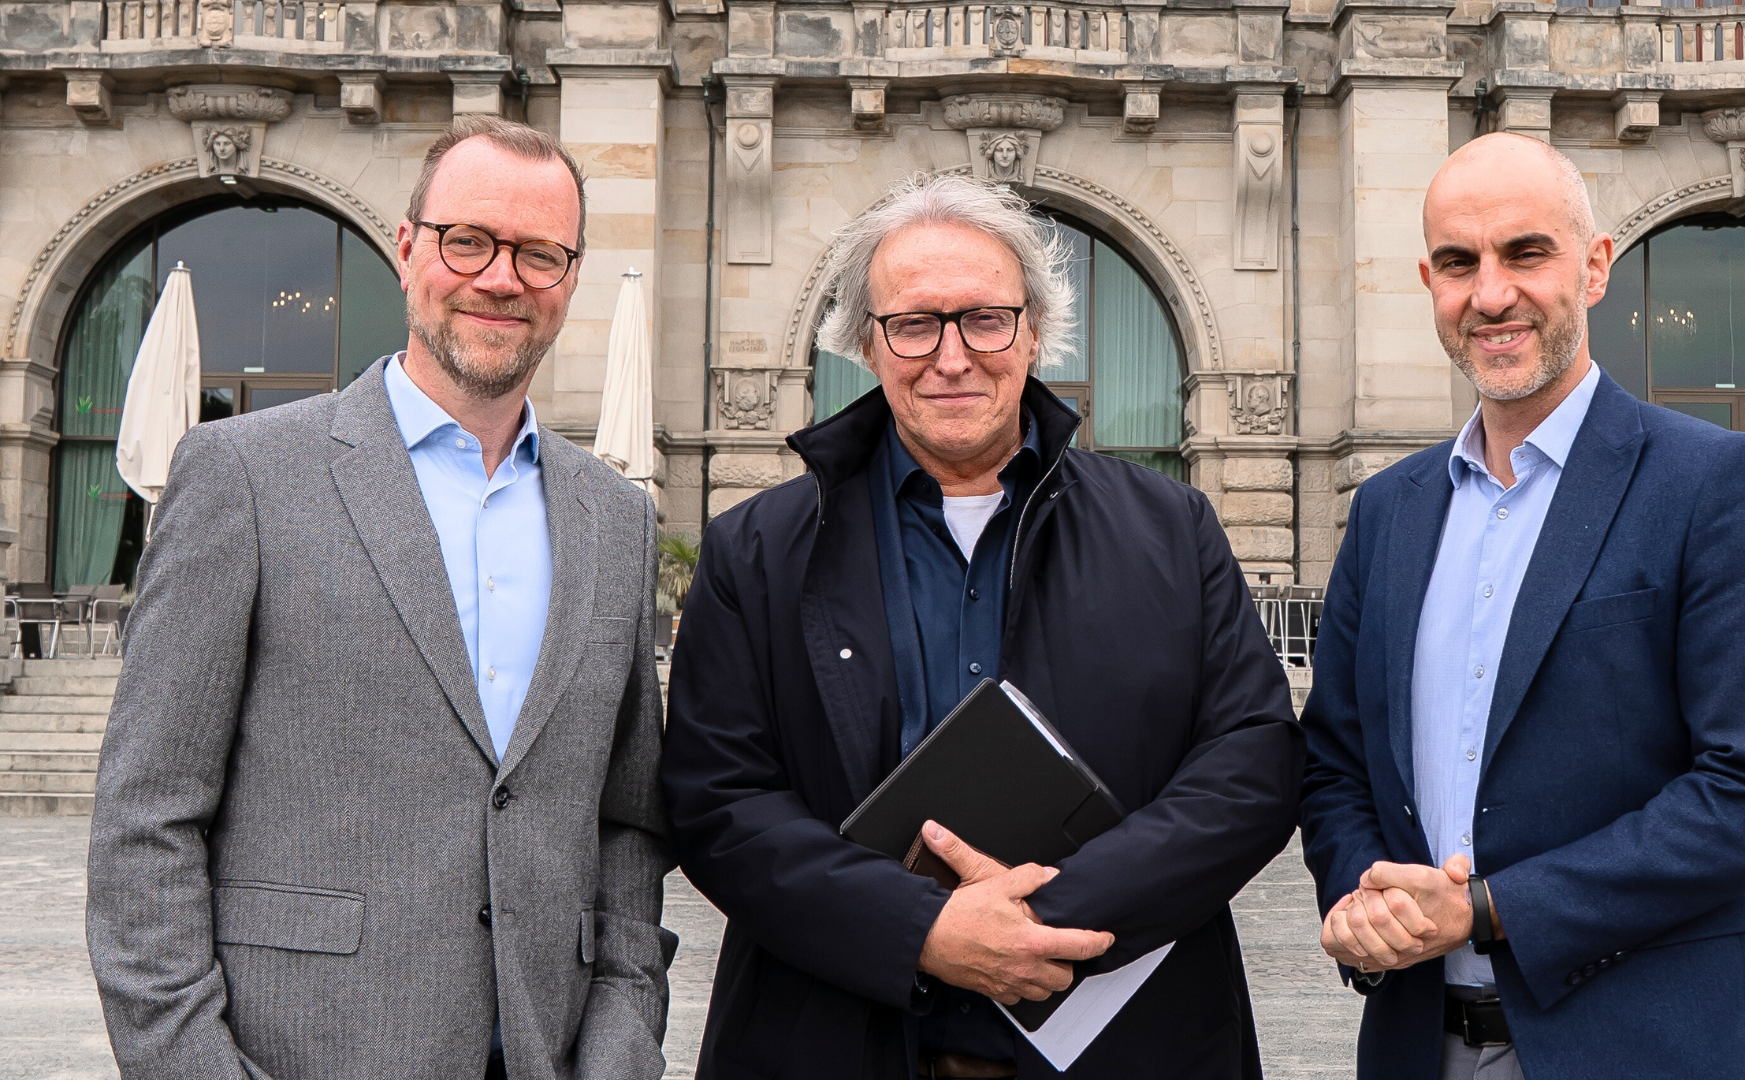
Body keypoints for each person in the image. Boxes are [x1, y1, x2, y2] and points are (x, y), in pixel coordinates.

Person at [661, 174, 1304, 1080]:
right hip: (836, 1039)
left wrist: (1036, 922)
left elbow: (1252, 766)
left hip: (1126, 1042)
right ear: (866, 346)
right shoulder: (755, 551)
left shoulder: (1174, 527)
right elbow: (719, 805)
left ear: (1034, 332)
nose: (952, 357)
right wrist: (920, 929)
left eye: (986, 319)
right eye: (914, 324)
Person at [87, 115, 675, 1080]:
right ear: (407, 251)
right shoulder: (243, 476)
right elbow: (145, 821)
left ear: (569, 280)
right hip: (302, 1054)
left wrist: (620, 1036)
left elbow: (628, 819)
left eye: (540, 253)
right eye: (468, 240)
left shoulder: (615, 518)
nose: (502, 277)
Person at [1298, 132, 1745, 1080]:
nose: (1491, 293)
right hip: (1419, 1047)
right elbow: (1334, 763)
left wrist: (1492, 908)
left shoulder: (1711, 481)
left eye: (1525, 253)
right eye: (1459, 263)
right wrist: (1360, 897)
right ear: (1429, 282)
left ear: (1594, 267)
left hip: (1643, 1046)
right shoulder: (1389, 510)